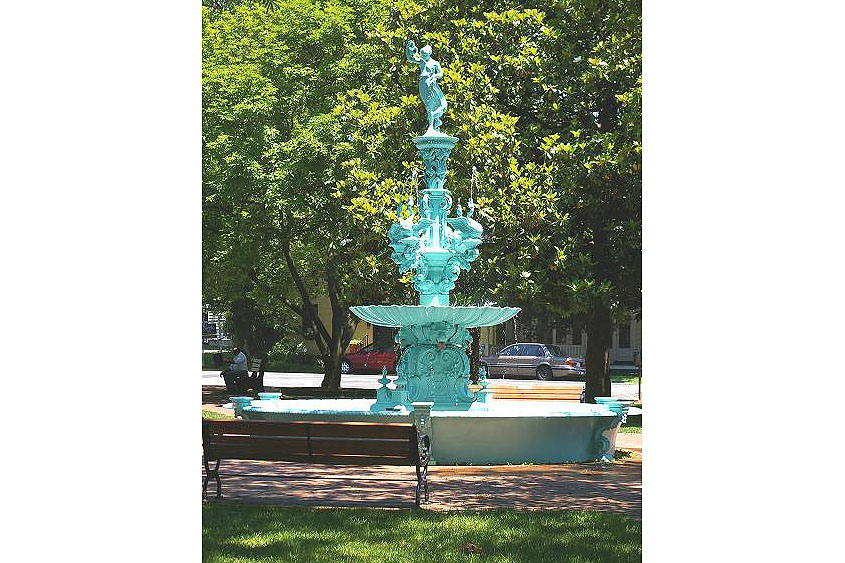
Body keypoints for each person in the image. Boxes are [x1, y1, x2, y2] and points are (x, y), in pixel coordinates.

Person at [405, 41, 447, 132]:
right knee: (427, 103)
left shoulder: (435, 63)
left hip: (431, 83)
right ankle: (434, 122)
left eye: (424, 54)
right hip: (423, 83)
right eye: (421, 54)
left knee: (431, 104)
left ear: (429, 53)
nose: (422, 56)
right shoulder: (421, 61)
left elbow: (440, 73)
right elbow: (410, 58)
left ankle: (432, 125)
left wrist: (434, 76)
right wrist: (409, 49)